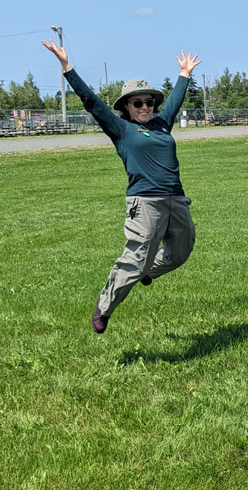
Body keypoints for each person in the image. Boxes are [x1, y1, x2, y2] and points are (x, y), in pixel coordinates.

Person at [42, 40, 201, 334]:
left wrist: (184, 74)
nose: (145, 107)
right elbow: (91, 102)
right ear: (127, 107)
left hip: (176, 201)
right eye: (137, 103)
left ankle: (146, 271)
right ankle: (104, 307)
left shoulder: (162, 124)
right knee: (134, 260)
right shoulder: (121, 129)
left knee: (181, 251)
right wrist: (68, 67)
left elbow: (176, 101)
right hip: (144, 204)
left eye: (149, 102)